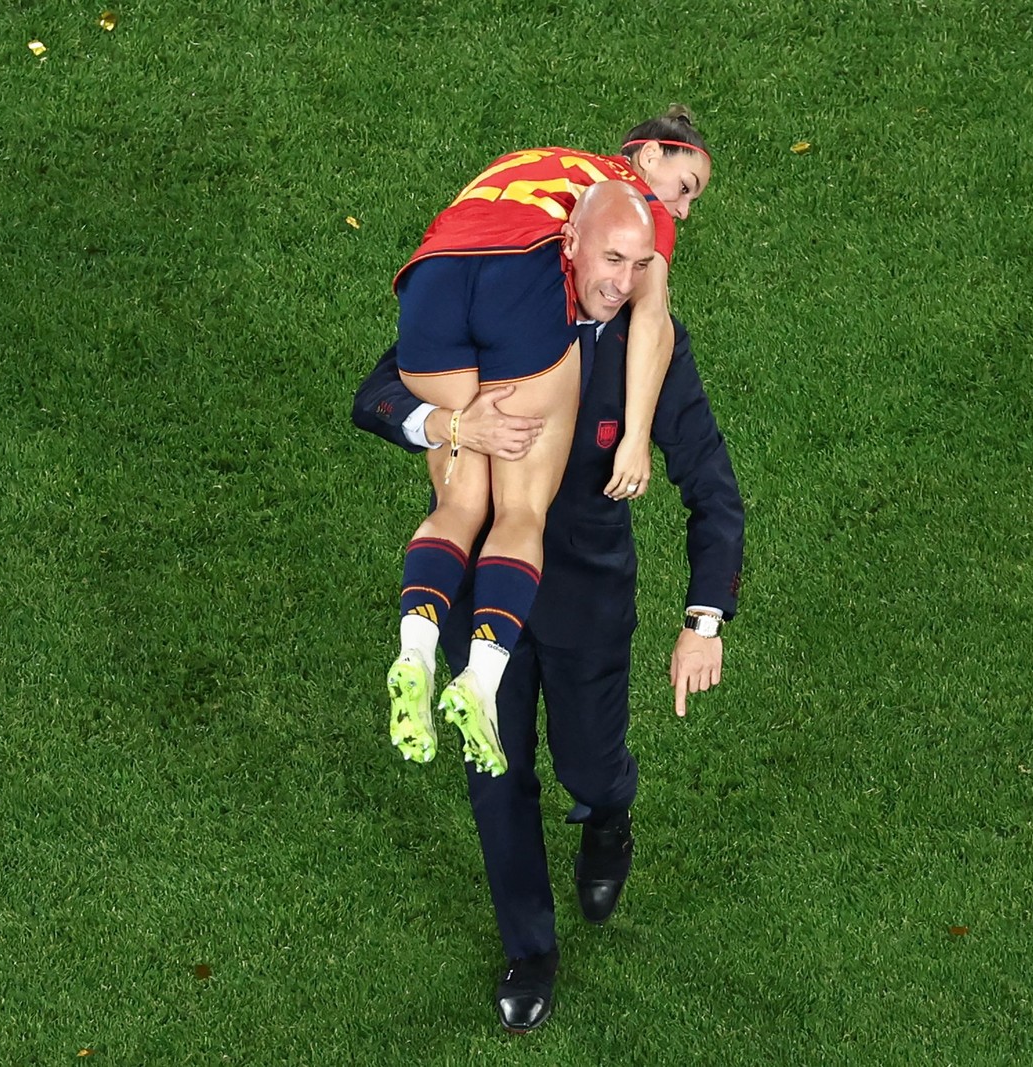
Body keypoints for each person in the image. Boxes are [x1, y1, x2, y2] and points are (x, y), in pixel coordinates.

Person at [353, 305, 744, 1033]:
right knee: (493, 770)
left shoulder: (644, 339)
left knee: (589, 765)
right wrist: (451, 426)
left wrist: (703, 621)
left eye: (635, 264)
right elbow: (377, 395)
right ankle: (529, 949)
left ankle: (608, 812)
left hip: (584, 602)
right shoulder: (489, 308)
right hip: (482, 590)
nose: (618, 279)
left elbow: (711, 484)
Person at [388, 110, 714, 778]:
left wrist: (454, 424)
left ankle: (414, 651)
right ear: (649, 154)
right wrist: (634, 437)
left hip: (429, 277)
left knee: (462, 492)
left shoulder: (542, 162)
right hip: (519, 284)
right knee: (519, 509)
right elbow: (651, 321)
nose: (682, 209)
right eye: (686, 185)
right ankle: (479, 682)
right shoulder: (631, 206)